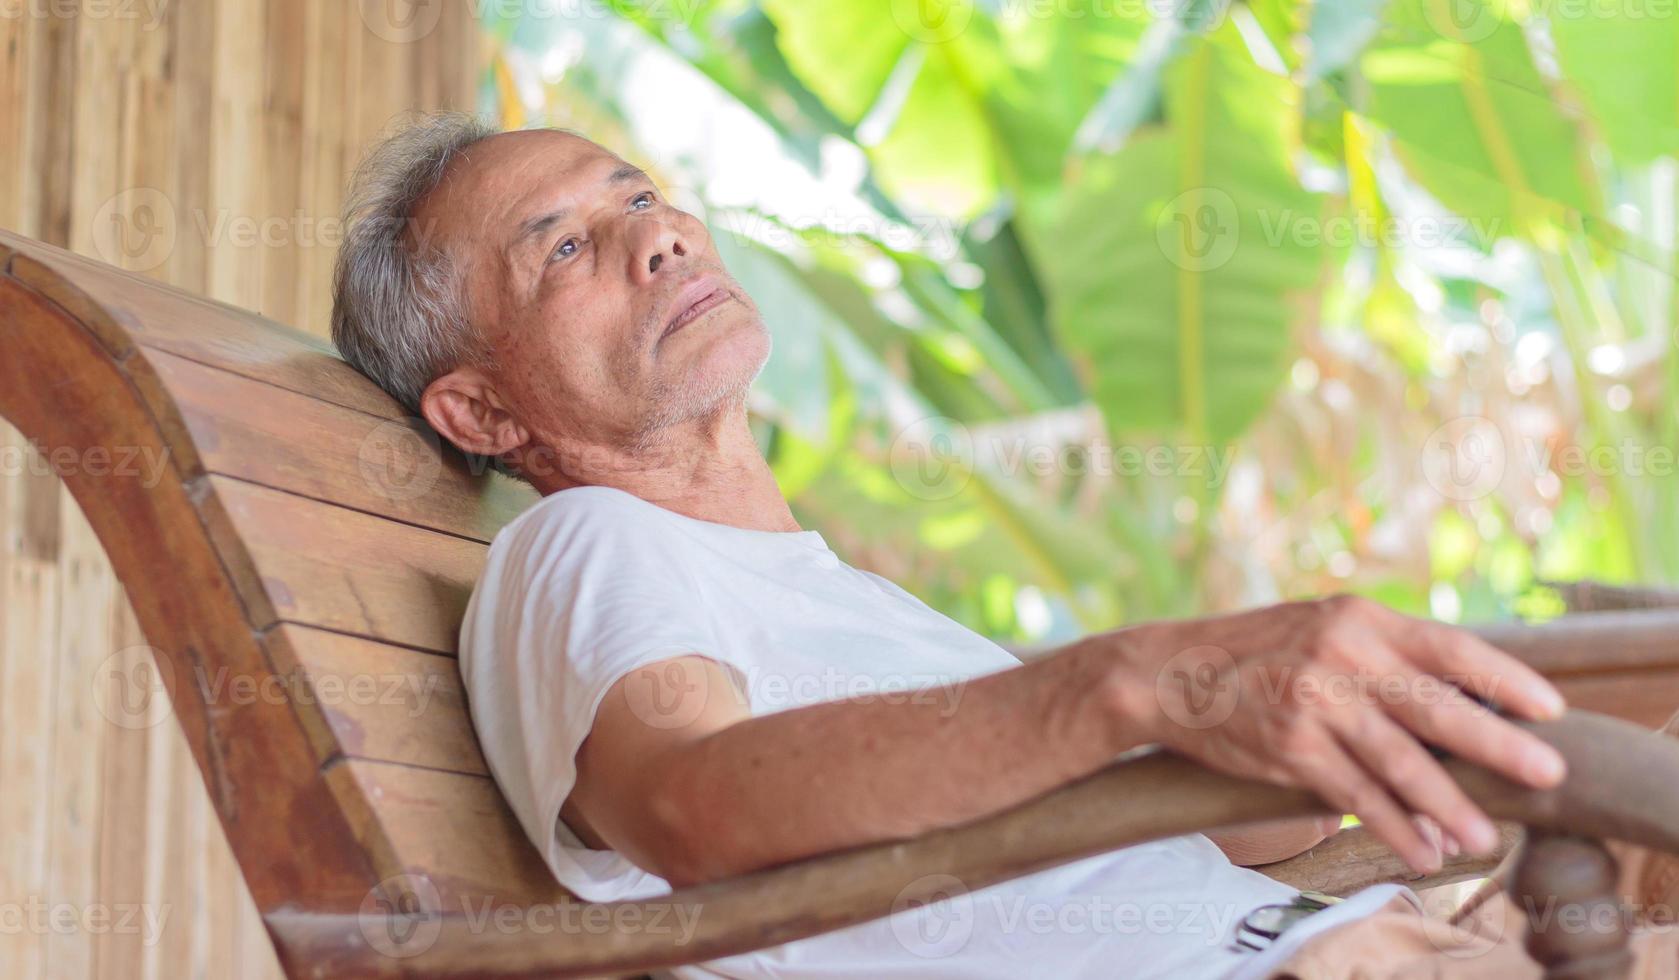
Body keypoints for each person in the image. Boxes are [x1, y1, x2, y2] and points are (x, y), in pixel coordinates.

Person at [329, 113, 1677, 978]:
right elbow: (699, 807)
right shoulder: (584, 548)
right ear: (483, 408)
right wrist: (1127, 684)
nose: (657, 234)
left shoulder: (833, 602)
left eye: (640, 197)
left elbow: (1239, 846)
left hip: (1379, 937)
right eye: (565, 246)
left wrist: (1274, 725)